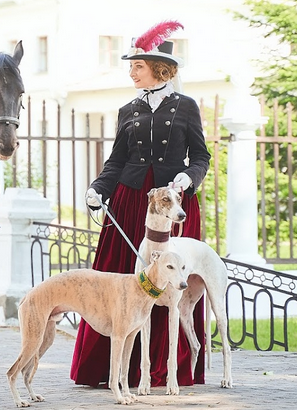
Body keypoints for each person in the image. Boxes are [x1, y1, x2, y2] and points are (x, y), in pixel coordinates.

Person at [70, 20, 211, 389]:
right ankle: (110, 368)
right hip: (132, 202)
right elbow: (116, 161)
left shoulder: (186, 107)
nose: (131, 72)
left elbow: (201, 157)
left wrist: (187, 179)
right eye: (130, 66)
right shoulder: (127, 110)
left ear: (160, 69)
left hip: (172, 205)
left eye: (137, 66)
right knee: (120, 282)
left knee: (169, 283)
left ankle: (166, 368)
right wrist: (99, 189)